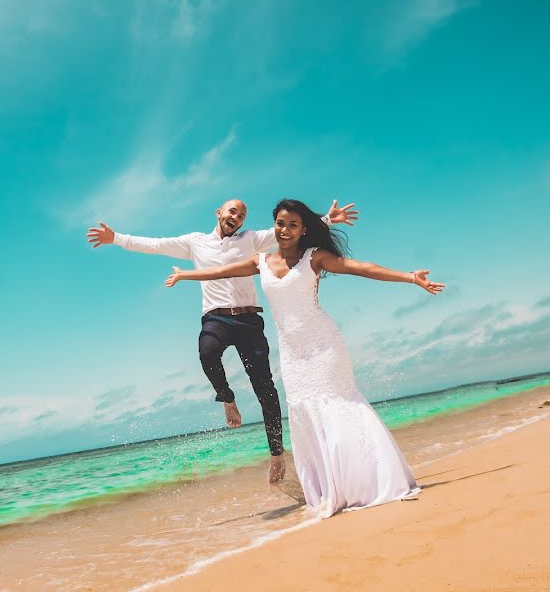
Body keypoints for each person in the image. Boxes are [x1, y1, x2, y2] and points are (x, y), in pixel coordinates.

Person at [165, 199, 444, 517]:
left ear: (304, 229)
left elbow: (360, 268)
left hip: (323, 345)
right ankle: (328, 487)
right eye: (280, 224)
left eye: (293, 225)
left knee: (338, 405)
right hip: (293, 352)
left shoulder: (315, 257)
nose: (285, 230)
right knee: (304, 412)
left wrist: (410, 277)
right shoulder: (261, 262)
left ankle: (367, 481)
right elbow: (217, 272)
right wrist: (185, 276)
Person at [87, 199, 359, 483]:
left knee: (265, 388)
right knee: (207, 352)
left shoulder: (251, 240)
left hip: (249, 321)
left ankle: (277, 455)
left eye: (241, 215)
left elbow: (286, 231)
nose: (236, 217)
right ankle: (227, 398)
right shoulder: (195, 242)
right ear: (219, 213)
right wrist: (116, 238)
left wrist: (327, 218)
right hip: (216, 319)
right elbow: (156, 245)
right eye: (232, 211)